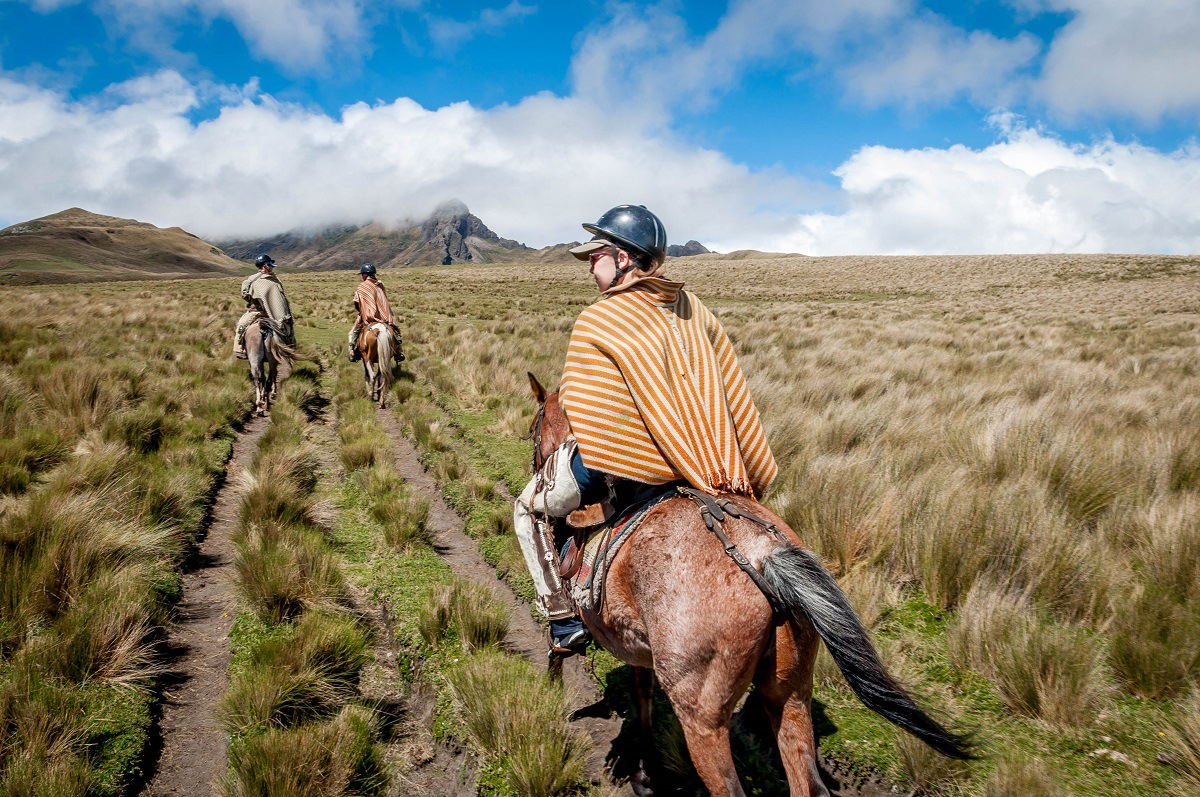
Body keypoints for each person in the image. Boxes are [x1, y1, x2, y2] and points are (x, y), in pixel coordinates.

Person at [514, 205, 778, 655]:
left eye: (595, 254)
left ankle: (561, 620)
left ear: (621, 258)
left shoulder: (600, 318)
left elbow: (582, 406)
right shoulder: (693, 307)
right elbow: (725, 385)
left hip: (626, 458)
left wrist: (627, 434)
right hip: (707, 458)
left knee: (528, 510)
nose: (589, 265)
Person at [233, 254, 295, 359]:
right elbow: (280, 300)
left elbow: (244, 294)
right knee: (287, 328)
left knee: (242, 325)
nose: (272, 268)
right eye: (271, 265)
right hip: (272, 313)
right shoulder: (274, 281)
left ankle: (240, 350)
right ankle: (289, 350)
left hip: (254, 312)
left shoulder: (250, 280)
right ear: (266, 266)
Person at [348, 262, 400, 362]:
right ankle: (399, 351)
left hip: (368, 316)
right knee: (395, 331)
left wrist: (362, 311)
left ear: (364, 275)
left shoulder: (362, 287)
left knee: (352, 332)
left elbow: (356, 303)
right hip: (385, 316)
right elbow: (384, 300)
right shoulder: (380, 284)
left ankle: (352, 352)